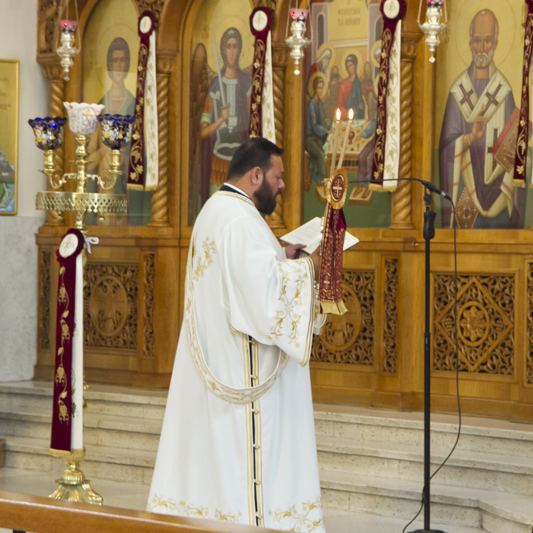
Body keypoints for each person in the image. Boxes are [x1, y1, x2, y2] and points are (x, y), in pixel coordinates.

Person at [148, 138, 327, 532]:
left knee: (216, 469)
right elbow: (264, 304)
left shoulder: (216, 210)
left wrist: (284, 260)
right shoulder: (242, 221)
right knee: (242, 468)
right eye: (278, 177)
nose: (281, 186)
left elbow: (243, 281)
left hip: (220, 361)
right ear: (256, 175)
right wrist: (310, 266)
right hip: (243, 376)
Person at [438, 9, 523, 229]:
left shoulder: (504, 90)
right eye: (477, 41)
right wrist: (470, 138)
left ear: (495, 43)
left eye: (487, 41)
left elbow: (515, 144)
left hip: (499, 196)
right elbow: (446, 148)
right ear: (469, 42)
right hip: (466, 193)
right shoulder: (458, 92)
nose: (482, 48)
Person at [85, 37, 151, 225]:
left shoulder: (135, 106)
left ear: (128, 63)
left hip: (125, 183)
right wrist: (102, 152)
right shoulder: (100, 106)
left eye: (122, 60)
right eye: (115, 60)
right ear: (109, 64)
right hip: (103, 184)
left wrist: (126, 158)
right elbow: (87, 158)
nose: (119, 65)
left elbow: (144, 151)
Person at [198, 27, 252, 206]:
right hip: (219, 160)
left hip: (241, 162)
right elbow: (203, 132)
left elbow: (254, 123)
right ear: (222, 51)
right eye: (228, 46)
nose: (231, 51)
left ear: (239, 50)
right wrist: (221, 119)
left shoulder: (246, 85)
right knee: (218, 209)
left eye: (235, 46)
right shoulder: (214, 87)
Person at [306, 73, 332, 184]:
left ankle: (316, 174)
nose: (320, 90)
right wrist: (325, 131)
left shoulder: (319, 103)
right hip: (309, 137)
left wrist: (328, 121)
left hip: (317, 136)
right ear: (314, 88)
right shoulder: (311, 105)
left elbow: (323, 118)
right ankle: (322, 179)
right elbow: (314, 125)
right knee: (321, 155)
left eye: (322, 88)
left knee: (326, 148)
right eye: (319, 88)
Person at [336, 54, 365, 120]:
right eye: (348, 67)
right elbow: (339, 104)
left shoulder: (358, 82)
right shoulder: (344, 84)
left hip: (357, 115)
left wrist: (361, 105)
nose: (349, 69)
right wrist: (346, 114)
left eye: (351, 65)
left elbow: (360, 100)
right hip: (346, 116)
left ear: (355, 65)